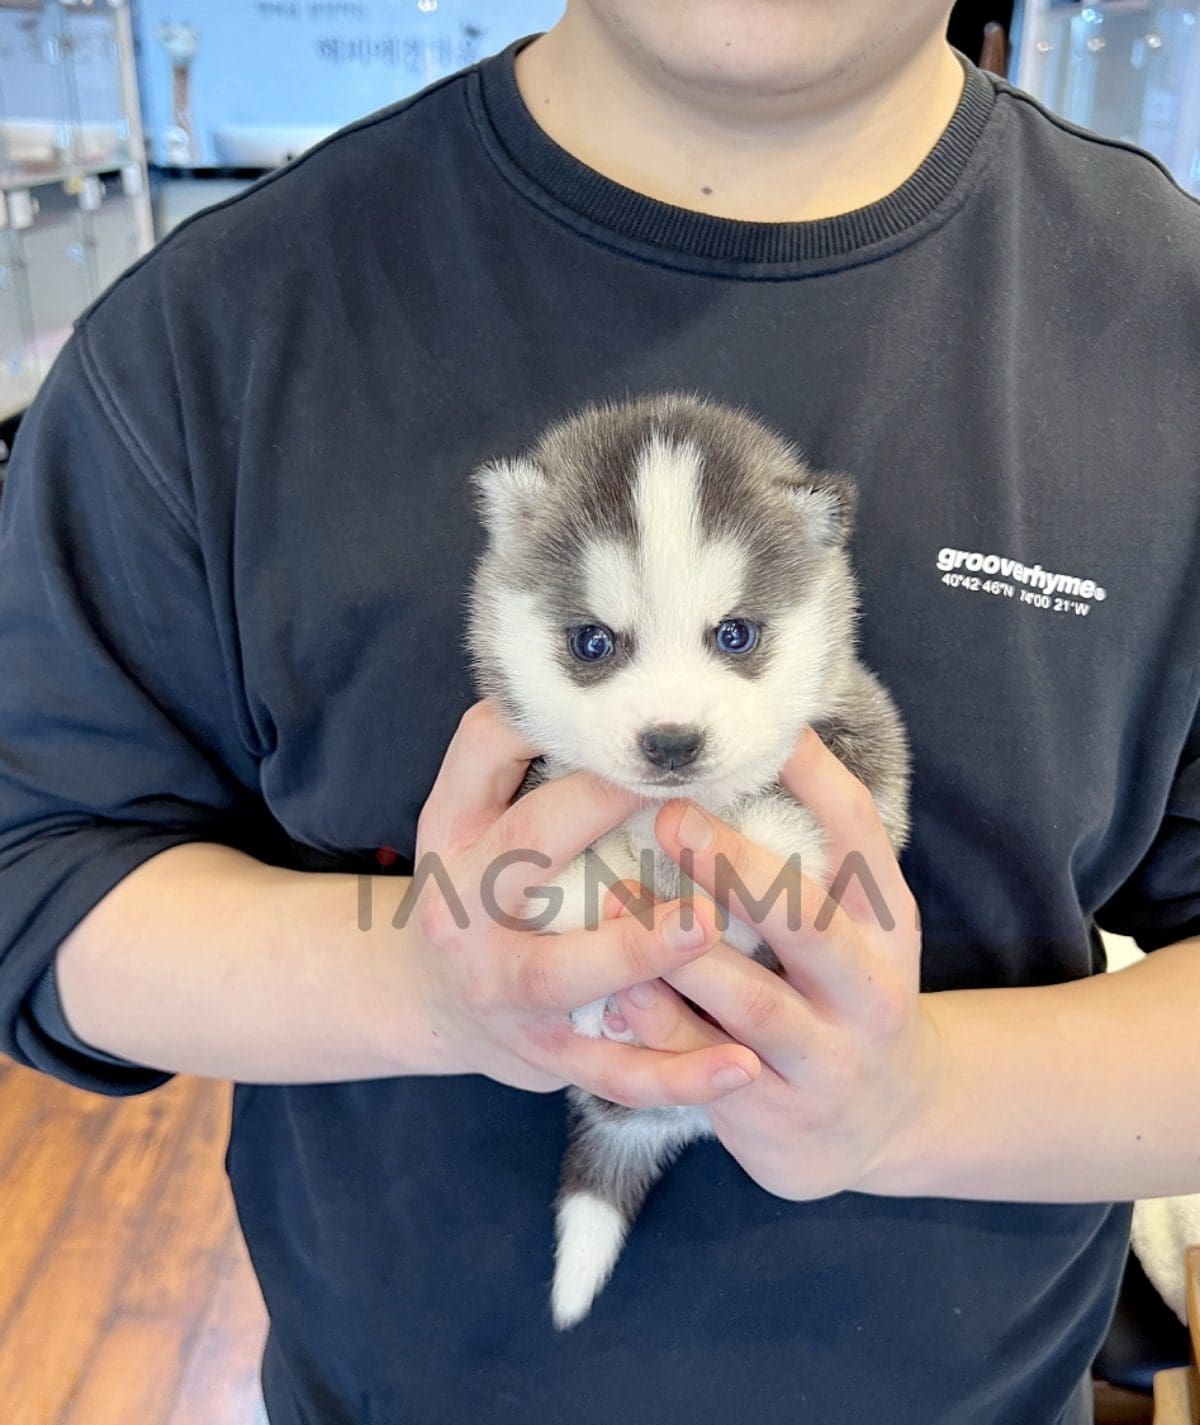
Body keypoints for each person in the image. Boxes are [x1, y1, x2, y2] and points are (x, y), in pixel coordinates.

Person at [0, 3, 1197, 1421]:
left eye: (736, 638)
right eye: (597, 644)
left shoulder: (1167, 337)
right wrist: (418, 984)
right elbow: (39, 874)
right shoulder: (218, 332)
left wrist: (917, 1098)